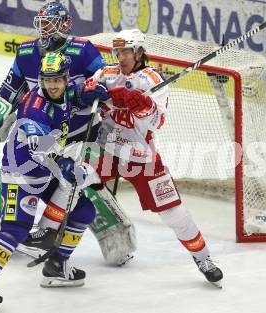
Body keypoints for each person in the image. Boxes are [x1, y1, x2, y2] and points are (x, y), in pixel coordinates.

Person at [0, 1, 136, 266]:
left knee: (84, 187)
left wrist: (105, 92)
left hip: (79, 135)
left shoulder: (83, 51)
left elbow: (105, 80)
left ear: (64, 25)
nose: (44, 29)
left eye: (50, 23)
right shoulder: (26, 52)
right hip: (40, 137)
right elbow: (8, 94)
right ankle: (4, 237)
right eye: (42, 24)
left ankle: (117, 242)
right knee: (12, 182)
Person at [0, 51, 109, 312]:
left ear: (65, 79)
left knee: (84, 210)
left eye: (57, 80)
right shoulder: (34, 109)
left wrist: (94, 90)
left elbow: (81, 89)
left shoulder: (66, 90)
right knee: (15, 228)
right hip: (21, 175)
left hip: (45, 173)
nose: (51, 85)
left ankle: (56, 267)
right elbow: (39, 149)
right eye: (46, 80)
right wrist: (63, 164)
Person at [80, 29, 224, 287]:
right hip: (107, 149)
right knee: (73, 183)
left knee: (174, 212)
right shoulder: (108, 74)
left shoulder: (152, 79)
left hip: (140, 156)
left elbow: (157, 121)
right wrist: (97, 92)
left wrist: (138, 103)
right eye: (117, 52)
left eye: (125, 52)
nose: (120, 56)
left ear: (138, 53)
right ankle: (53, 242)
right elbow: (87, 88)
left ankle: (203, 259)